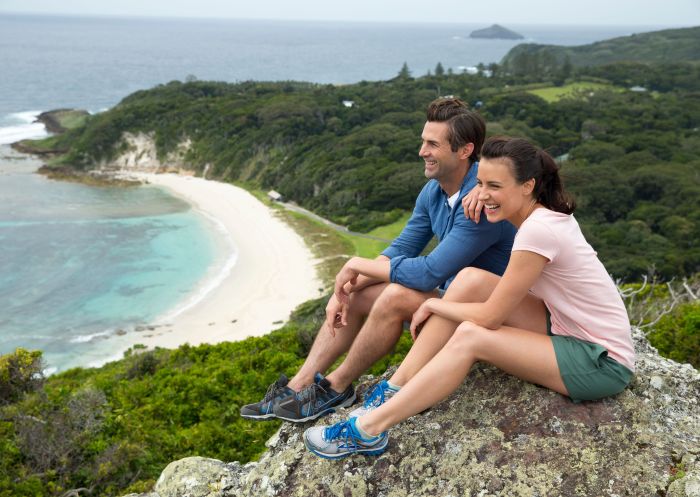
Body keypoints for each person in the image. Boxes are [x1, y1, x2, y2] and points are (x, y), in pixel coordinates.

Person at [303, 136, 636, 458]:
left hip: (601, 361)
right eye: (481, 183)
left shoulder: (538, 231)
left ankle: (368, 430)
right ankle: (396, 388)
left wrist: (434, 303)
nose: (484, 195)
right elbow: (490, 294)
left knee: (470, 336)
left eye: (495, 186)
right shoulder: (544, 213)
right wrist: (487, 194)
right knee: (471, 279)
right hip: (565, 327)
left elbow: (490, 318)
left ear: (528, 185)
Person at [240, 98, 517, 423]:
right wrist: (343, 289)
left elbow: (430, 272)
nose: (421, 151)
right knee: (360, 292)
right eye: (422, 142)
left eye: (432, 144)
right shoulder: (434, 192)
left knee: (395, 294)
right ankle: (299, 384)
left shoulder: (480, 202)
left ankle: (336, 386)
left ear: (464, 150)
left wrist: (356, 265)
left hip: (489, 312)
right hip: (450, 302)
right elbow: (401, 248)